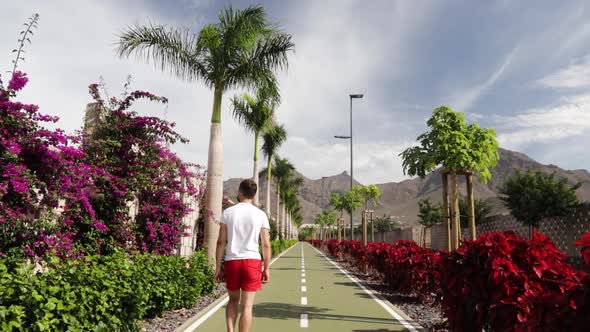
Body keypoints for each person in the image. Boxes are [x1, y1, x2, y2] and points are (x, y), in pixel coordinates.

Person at [215, 179, 272, 332]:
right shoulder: (260, 214)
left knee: (232, 301)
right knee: (247, 306)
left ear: (240, 192)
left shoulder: (227, 213)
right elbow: (266, 244)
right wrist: (266, 268)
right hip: (252, 262)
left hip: (232, 262)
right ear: (253, 195)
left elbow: (221, 242)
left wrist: (217, 267)